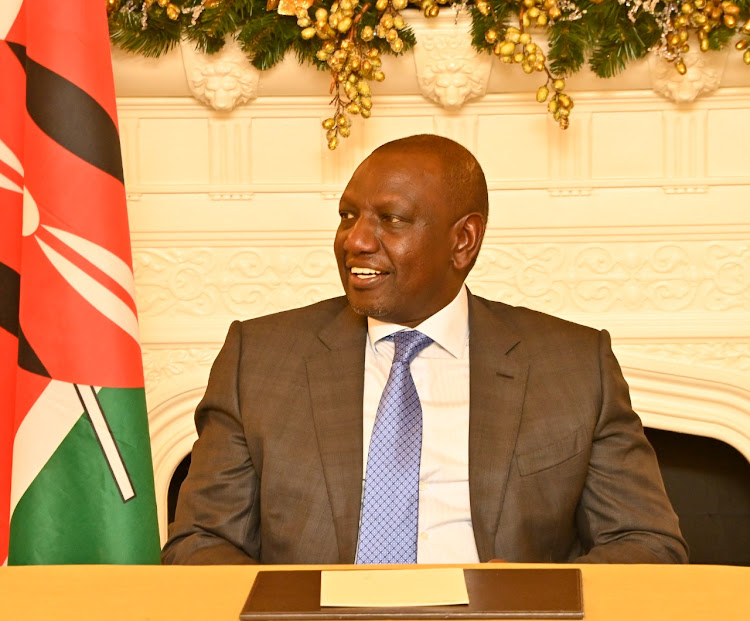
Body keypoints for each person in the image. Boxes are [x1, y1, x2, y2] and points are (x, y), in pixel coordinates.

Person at [161, 134, 688, 565]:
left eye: (390, 219)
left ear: (464, 241)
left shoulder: (573, 365)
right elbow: (202, 542)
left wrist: (531, 599)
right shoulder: (259, 358)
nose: (355, 241)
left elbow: (645, 542)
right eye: (348, 216)